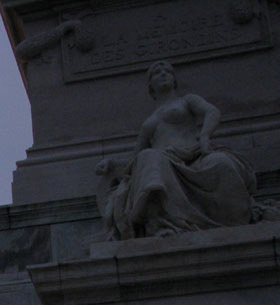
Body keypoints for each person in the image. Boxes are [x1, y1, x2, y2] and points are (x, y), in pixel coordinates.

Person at [98, 60, 255, 240]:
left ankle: (231, 217)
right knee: (148, 157)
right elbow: (134, 160)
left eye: (168, 71)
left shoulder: (187, 100)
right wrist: (110, 163)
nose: (163, 74)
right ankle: (152, 220)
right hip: (165, 162)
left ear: (174, 80)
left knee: (221, 162)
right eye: (157, 72)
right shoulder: (148, 123)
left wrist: (204, 136)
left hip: (194, 156)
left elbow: (212, 112)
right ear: (150, 86)